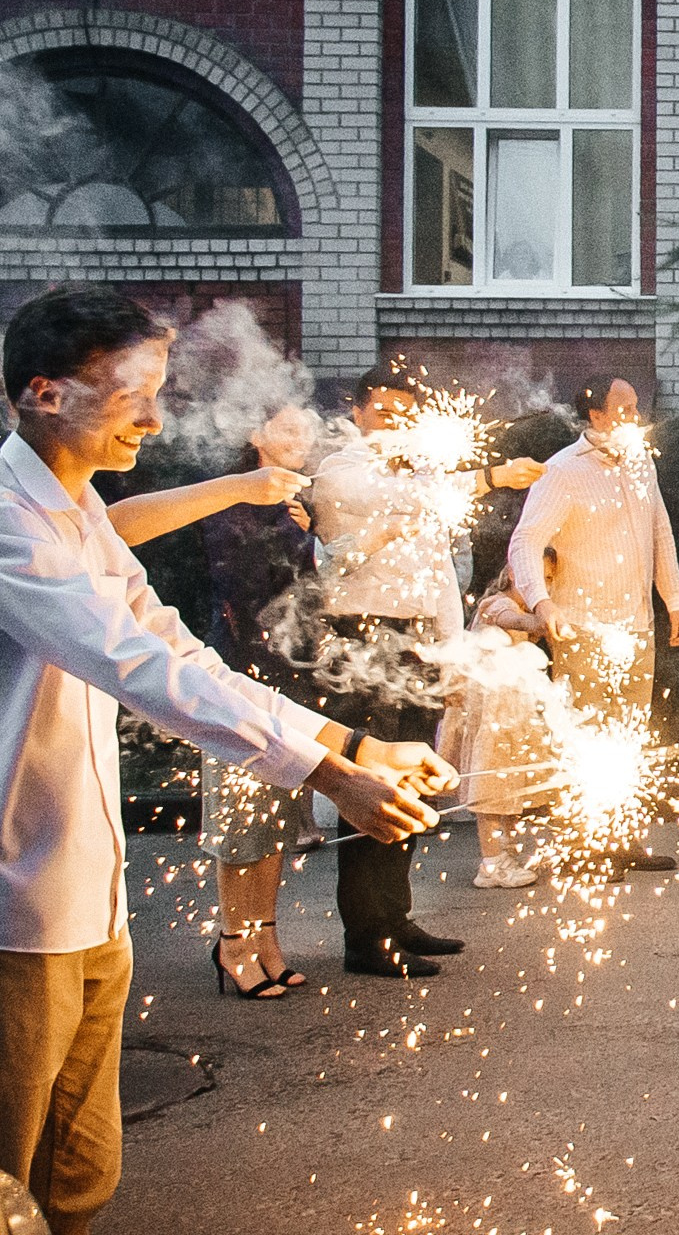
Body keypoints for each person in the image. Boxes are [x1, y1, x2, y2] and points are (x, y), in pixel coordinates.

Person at [0, 284, 451, 1235]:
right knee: (9, 1190)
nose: (155, 420)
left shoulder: (78, 513)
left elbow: (180, 652)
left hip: (92, 902)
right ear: (46, 392)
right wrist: (334, 778)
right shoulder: (9, 520)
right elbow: (136, 671)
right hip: (14, 914)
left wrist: (357, 742)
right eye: (134, 398)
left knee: (78, 1179)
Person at [310, 366, 542, 975]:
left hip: (414, 640)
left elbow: (439, 573)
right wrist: (487, 477)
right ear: (356, 414)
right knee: (371, 786)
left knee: (410, 782)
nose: (394, 423)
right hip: (365, 637)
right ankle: (367, 938)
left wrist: (451, 650)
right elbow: (394, 505)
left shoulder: (419, 478)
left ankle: (395, 917)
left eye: (405, 413)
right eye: (382, 411)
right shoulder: (341, 471)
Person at [107, 406, 324, 997]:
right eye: (285, 427)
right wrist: (291, 531)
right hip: (232, 668)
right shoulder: (229, 504)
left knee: (277, 817)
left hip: (289, 671)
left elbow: (308, 590)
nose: (301, 439)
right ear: (255, 434)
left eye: (307, 429)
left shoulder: (295, 507)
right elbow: (241, 582)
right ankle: (233, 941)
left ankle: (267, 938)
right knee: (242, 818)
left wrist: (313, 532)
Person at [506, 375, 679, 873]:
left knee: (628, 734)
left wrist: (674, 600)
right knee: (586, 735)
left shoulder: (640, 461)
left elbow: (661, 530)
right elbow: (526, 540)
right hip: (583, 626)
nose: (635, 416)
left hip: (636, 624)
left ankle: (622, 838)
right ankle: (586, 846)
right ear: (597, 416)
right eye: (624, 408)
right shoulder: (563, 471)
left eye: (636, 407)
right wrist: (542, 603)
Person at [454, 562, 556, 889]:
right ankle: (492, 863)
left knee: (511, 788)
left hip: (512, 715)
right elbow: (506, 617)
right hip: (493, 718)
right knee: (492, 791)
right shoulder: (497, 603)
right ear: (516, 572)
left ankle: (504, 850)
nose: (546, 585)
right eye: (542, 576)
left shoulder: (521, 607)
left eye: (551, 579)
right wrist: (538, 621)